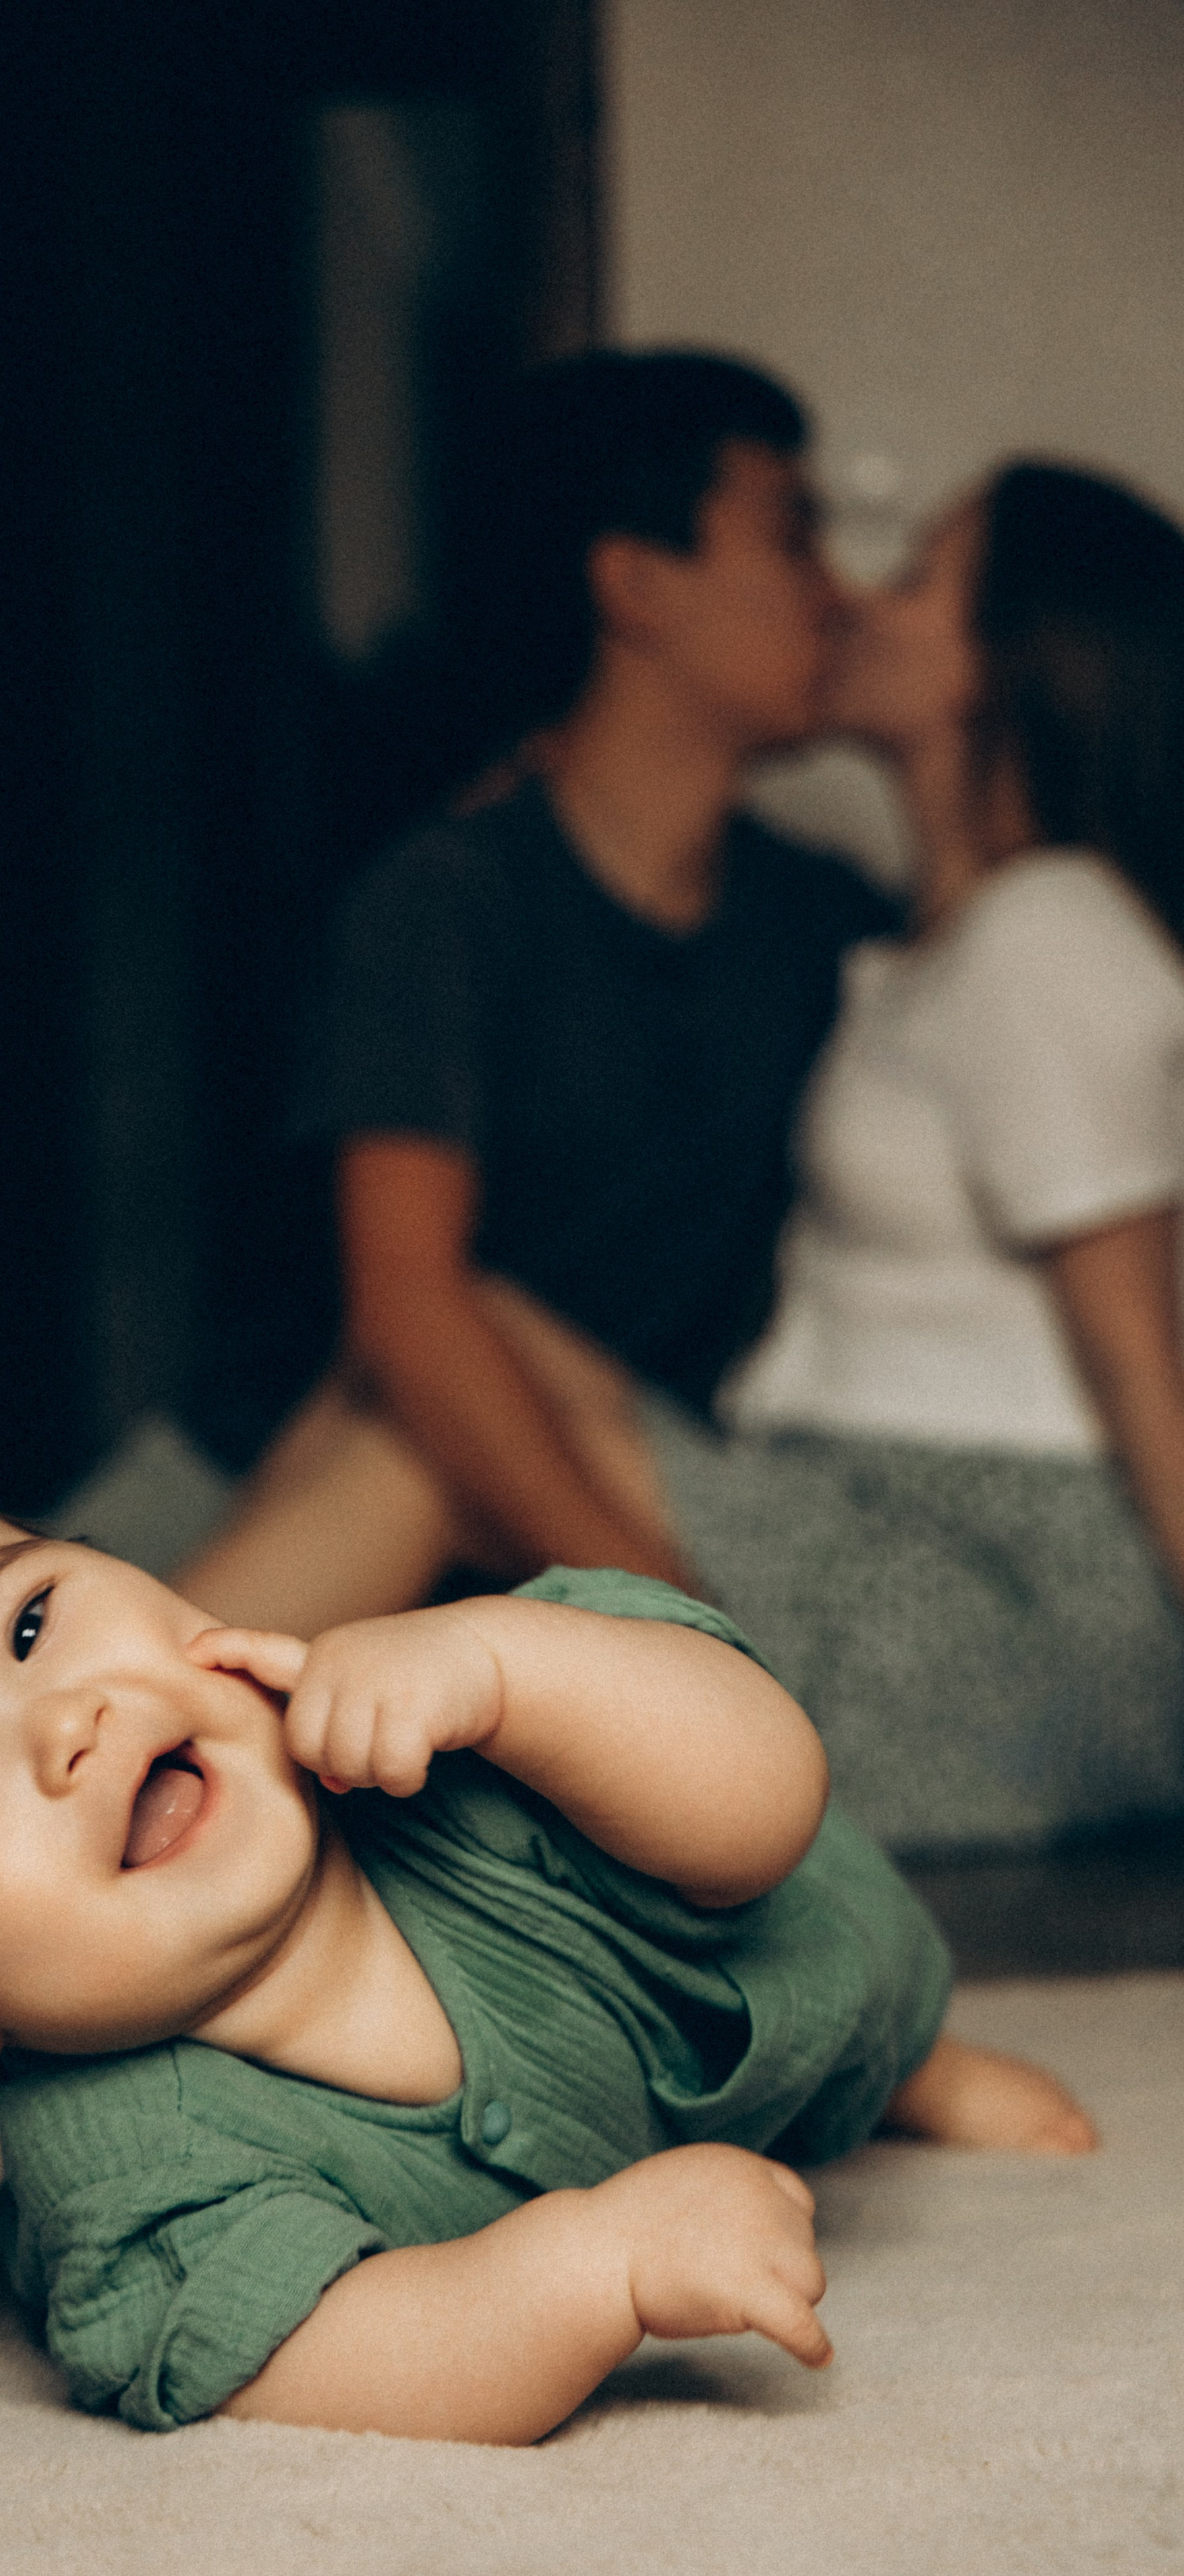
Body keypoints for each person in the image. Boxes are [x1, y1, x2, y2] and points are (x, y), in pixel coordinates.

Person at [0, 1466, 1094, 2444]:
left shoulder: (452, 1727)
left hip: (775, 1947)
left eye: (31, 1623)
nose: (62, 1727)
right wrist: (593, 2270)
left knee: (841, 1981)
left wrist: (502, 1668)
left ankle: (907, 2068)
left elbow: (761, 1804)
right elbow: (316, 2358)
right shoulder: (129, 2174)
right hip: (628, 2183)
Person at [174, 348, 900, 1639]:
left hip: (590, 1469)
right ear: (635, 583)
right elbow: (407, 1309)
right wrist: (669, 1617)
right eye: (795, 539)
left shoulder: (820, 914)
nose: (839, 596)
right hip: (301, 1456)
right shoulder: (451, 895)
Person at [617, 461, 1184, 1854]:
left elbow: (1141, 1352)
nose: (857, 603)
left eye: (918, 578)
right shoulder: (924, 944)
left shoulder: (1042, 938)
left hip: (1002, 1583)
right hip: (877, 1516)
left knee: (448, 1382)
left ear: (1001, 663)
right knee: (456, 1364)